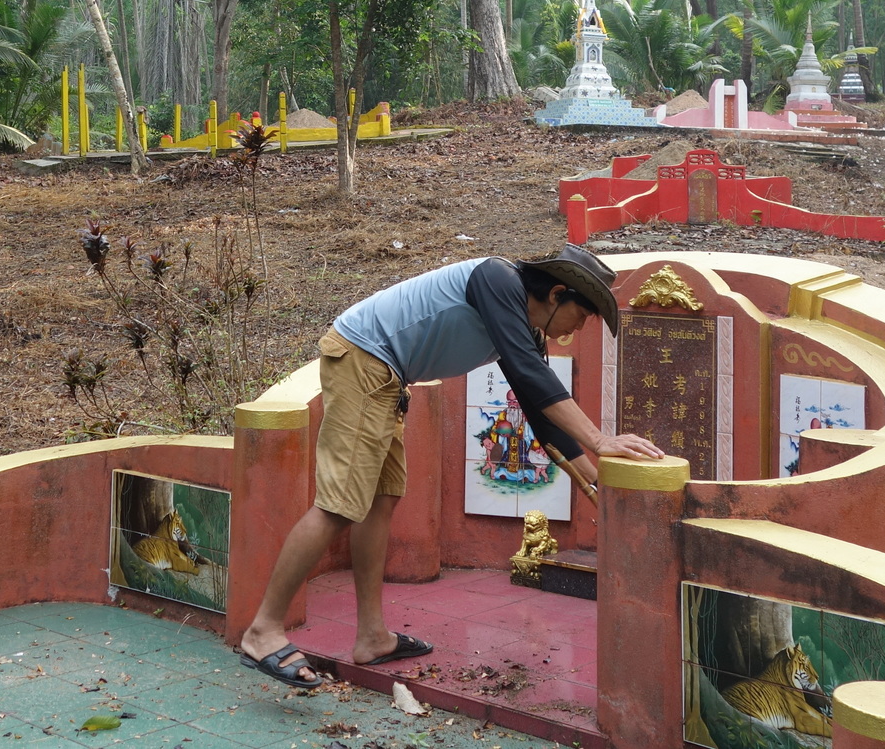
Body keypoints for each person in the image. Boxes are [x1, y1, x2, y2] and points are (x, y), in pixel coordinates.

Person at [236, 245, 666, 688]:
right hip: (363, 360)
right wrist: (600, 439)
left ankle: (372, 637)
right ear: (557, 293)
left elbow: (540, 410)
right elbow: (530, 374)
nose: (580, 326)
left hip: (385, 377)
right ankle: (263, 631)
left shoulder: (521, 326)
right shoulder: (498, 280)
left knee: (380, 501)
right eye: (583, 314)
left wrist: (596, 481)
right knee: (339, 506)